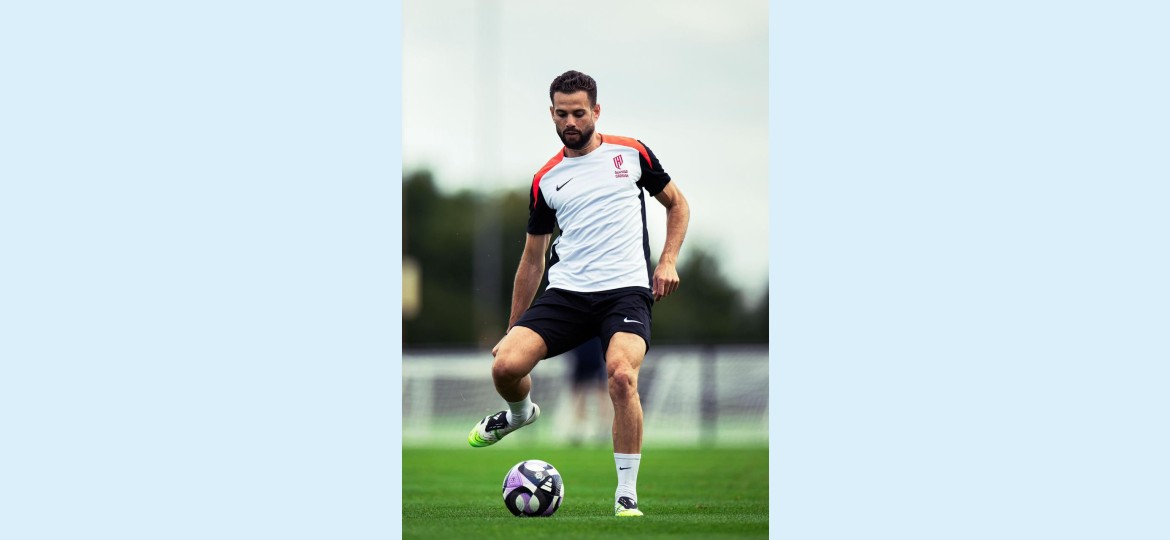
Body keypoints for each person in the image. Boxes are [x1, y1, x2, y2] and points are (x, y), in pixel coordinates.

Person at [467, 70, 690, 518]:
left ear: (596, 111)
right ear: (552, 113)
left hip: (625, 293)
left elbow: (678, 204)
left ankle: (626, 493)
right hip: (567, 294)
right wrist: (513, 327)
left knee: (621, 376)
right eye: (562, 113)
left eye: (579, 113)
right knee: (506, 366)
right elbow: (533, 260)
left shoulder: (632, 153)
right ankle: (519, 414)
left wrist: (667, 260)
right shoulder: (545, 180)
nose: (570, 121)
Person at [566, 337, 610, 446]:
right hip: (581, 346)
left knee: (600, 387)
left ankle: (603, 427)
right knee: (580, 388)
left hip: (596, 346)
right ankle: (579, 427)